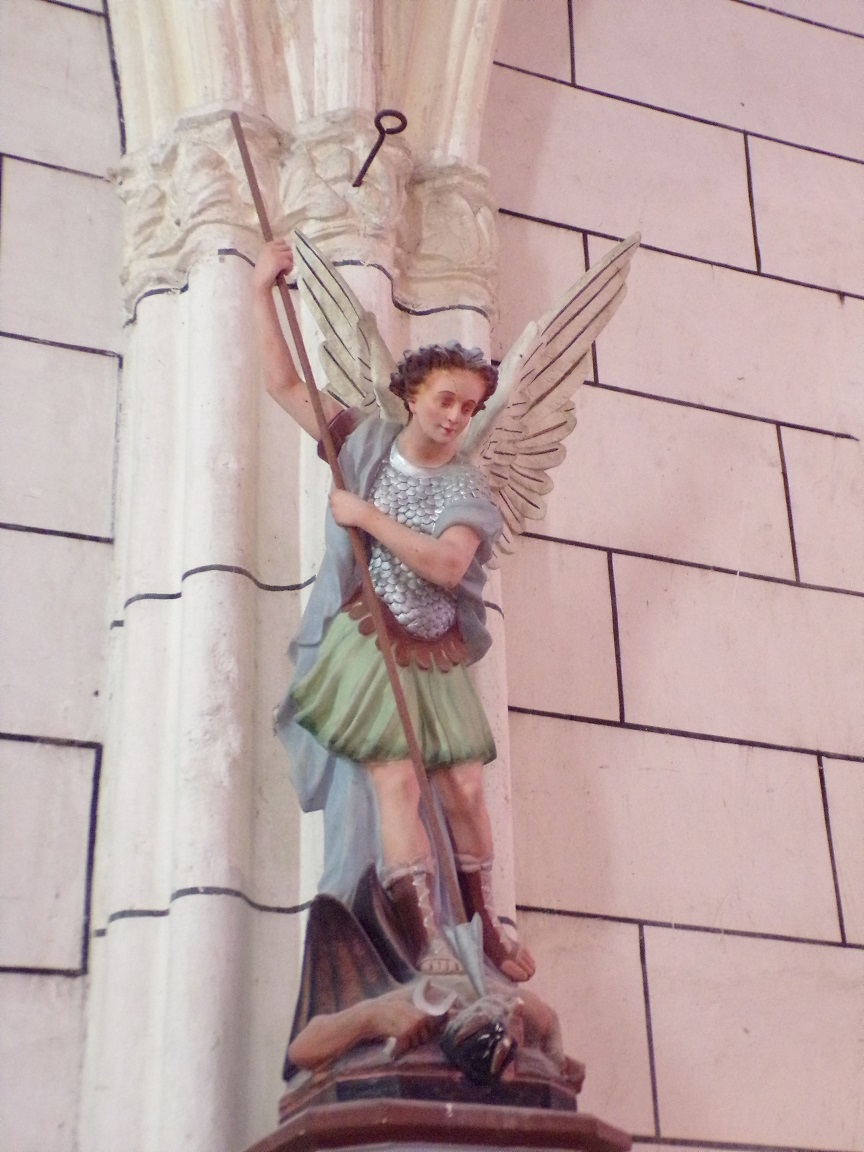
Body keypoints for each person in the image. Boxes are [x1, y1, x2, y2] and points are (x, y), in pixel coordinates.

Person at [253, 239, 535, 983]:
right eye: (446, 399)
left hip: (435, 652)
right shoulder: (365, 441)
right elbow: (282, 382)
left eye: (469, 407)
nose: (455, 416)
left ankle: (485, 925)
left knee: (467, 789)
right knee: (395, 784)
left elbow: (447, 563)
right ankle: (426, 943)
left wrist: (365, 516)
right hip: (372, 646)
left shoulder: (467, 488)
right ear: (413, 394)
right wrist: (260, 293)